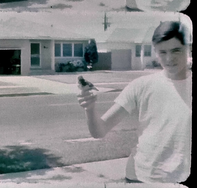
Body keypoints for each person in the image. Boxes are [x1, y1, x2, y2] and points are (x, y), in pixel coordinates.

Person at [77, 21, 192, 183]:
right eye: (162, 52)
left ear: (188, 48)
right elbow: (99, 131)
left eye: (176, 51)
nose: (169, 58)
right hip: (139, 177)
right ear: (155, 52)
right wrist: (89, 108)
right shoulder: (141, 86)